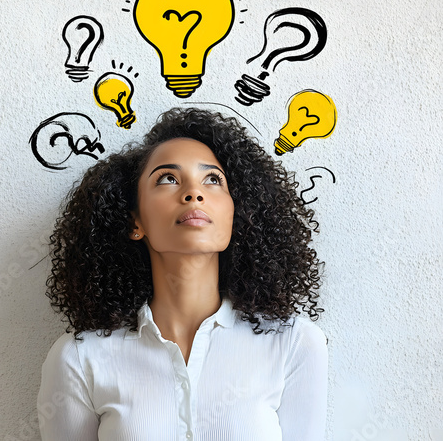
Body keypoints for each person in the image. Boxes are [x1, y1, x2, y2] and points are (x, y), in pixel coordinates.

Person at [37, 107, 328, 441]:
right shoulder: (80, 357)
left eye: (213, 179)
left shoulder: (293, 343)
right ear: (135, 222)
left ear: (237, 212)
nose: (194, 193)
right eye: (168, 179)